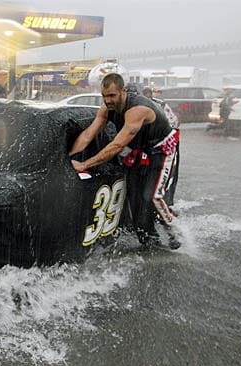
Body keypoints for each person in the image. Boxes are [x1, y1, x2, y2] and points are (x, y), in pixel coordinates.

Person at [69, 73, 181, 249]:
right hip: (140, 150)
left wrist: (84, 165)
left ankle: (174, 230)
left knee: (152, 196)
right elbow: (88, 134)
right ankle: (149, 238)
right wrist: (69, 158)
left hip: (162, 150)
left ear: (123, 91)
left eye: (112, 95)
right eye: (104, 96)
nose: (108, 100)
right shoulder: (106, 108)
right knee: (135, 198)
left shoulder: (137, 110)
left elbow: (117, 145)